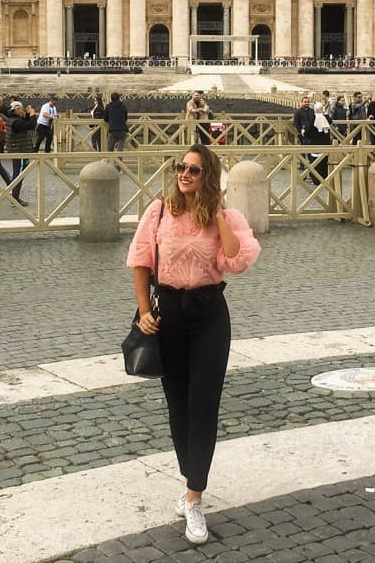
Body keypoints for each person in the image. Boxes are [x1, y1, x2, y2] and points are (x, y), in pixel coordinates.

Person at [127, 144, 260, 545]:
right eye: (181, 167)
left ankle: (194, 497)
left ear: (208, 177)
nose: (184, 174)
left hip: (209, 316)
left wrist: (217, 215)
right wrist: (143, 311)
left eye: (194, 170)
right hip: (167, 315)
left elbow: (235, 259)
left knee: (204, 407)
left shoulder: (223, 216)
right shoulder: (159, 210)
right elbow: (140, 261)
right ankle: (192, 481)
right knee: (179, 408)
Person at [6, 101, 37, 206]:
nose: (22, 110)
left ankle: (13, 192)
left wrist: (28, 115)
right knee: (19, 174)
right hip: (19, 150)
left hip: (17, 149)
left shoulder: (13, 119)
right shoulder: (16, 122)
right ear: (16, 110)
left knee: (18, 173)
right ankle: (14, 198)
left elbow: (24, 123)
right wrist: (32, 116)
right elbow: (30, 125)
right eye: (21, 109)